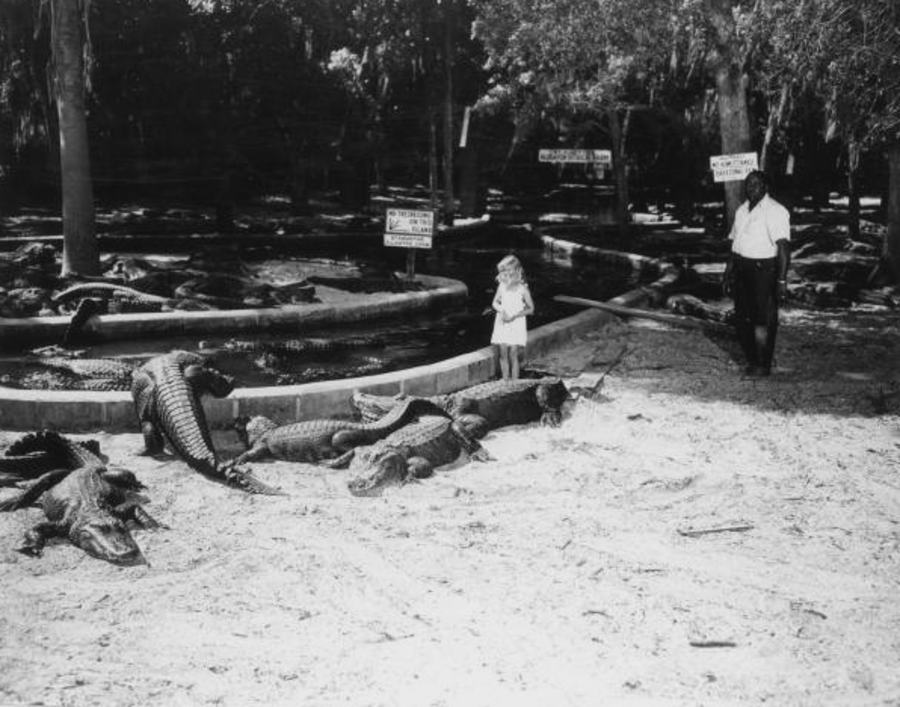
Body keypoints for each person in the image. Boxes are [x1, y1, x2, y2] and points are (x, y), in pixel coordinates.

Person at [723, 170, 791, 377]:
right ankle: (752, 360)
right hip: (742, 268)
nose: (751, 188)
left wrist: (781, 280)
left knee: (763, 320)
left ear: (765, 187)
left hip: (764, 269)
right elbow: (734, 245)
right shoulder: (742, 210)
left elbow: (784, 248)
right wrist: (728, 273)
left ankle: (763, 364)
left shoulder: (775, 211)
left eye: (756, 184)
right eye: (748, 184)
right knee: (742, 317)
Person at [490, 254, 534, 380]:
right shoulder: (502, 286)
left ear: (517, 270)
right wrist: (502, 310)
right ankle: (505, 381)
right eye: (505, 270)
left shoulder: (523, 289)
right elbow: (494, 302)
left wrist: (515, 316)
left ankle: (515, 383)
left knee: (513, 354)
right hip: (503, 321)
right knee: (503, 354)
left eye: (510, 269)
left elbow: (531, 309)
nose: (507, 273)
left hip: (516, 323)